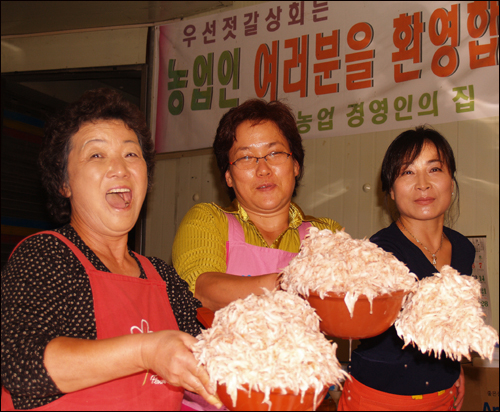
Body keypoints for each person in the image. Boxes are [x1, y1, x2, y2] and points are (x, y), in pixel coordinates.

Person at [1, 88, 222, 411]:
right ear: (64, 183)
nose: (120, 168)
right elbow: (23, 368)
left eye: (131, 154)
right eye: (96, 155)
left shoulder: (162, 276)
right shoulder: (46, 256)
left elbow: (207, 359)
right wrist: (147, 351)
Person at [339, 126, 474, 411]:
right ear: (389, 188)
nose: (423, 184)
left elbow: (454, 324)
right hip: (379, 398)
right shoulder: (379, 252)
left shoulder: (463, 248)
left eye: (434, 169)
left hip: (443, 395)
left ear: (451, 180)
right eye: (407, 172)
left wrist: (454, 366)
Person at [172, 99, 343, 312]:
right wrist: (287, 284)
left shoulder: (325, 233)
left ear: (296, 165)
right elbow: (201, 290)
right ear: (228, 177)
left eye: (275, 153)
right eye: (245, 157)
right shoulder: (208, 219)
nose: (263, 169)